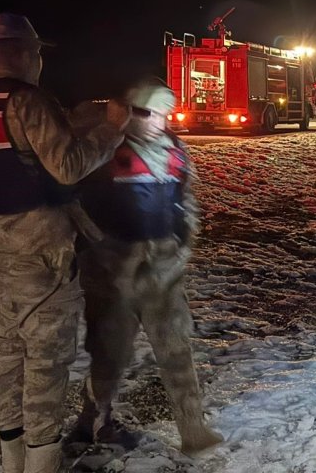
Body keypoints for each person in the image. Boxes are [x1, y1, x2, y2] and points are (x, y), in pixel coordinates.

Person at [0, 13, 129, 473]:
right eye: (38, 52)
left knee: (6, 352)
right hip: (42, 254)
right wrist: (113, 129)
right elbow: (68, 165)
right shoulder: (28, 101)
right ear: (24, 53)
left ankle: (12, 460)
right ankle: (42, 463)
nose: (40, 60)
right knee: (46, 360)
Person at [70, 78, 223, 455]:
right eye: (150, 113)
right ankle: (92, 422)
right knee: (108, 351)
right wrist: (98, 250)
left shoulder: (174, 149)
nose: (159, 121)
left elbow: (186, 200)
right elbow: (70, 202)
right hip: (112, 271)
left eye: (165, 114)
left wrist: (183, 246)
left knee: (175, 347)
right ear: (130, 112)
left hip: (163, 267)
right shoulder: (101, 148)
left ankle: (193, 430)